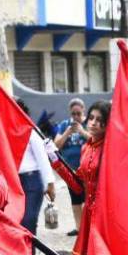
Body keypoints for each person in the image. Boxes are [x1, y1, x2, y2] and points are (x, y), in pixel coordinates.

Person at [53, 100, 109, 255]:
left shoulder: (111, 149)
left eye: (100, 120)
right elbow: (78, 186)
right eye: (92, 119)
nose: (94, 123)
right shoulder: (88, 146)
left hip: (106, 220)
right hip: (89, 217)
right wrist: (56, 161)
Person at [15, 100, 57, 255]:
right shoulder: (3, 132)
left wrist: (50, 184)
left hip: (32, 181)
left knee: (29, 220)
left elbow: (42, 159)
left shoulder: (30, 132)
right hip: (14, 180)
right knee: (16, 221)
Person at [53, 98, 89, 237]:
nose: (76, 117)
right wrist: (67, 133)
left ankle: (89, 228)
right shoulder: (64, 125)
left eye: (78, 114)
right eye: (73, 114)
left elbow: (94, 139)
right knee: (75, 200)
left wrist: (81, 131)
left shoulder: (88, 123)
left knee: (87, 200)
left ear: (83, 111)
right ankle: (79, 228)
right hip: (70, 169)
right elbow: (56, 146)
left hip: (87, 169)